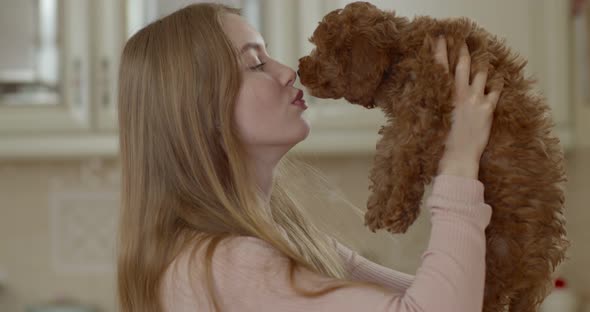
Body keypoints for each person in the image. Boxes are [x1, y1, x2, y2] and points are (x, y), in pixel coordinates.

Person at [116, 3, 503, 312]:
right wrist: (458, 161)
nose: (287, 72)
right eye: (255, 64)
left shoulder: (281, 237)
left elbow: (462, 299)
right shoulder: (226, 263)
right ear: (200, 112)